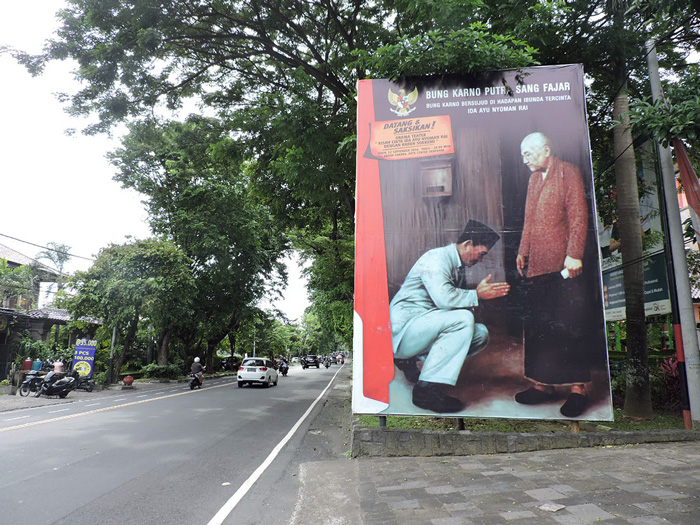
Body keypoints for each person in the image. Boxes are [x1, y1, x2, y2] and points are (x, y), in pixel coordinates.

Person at [390, 219, 510, 413]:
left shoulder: (457, 265)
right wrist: (477, 295)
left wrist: (475, 297)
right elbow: (445, 299)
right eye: (481, 254)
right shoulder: (436, 259)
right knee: (464, 320)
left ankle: (411, 362)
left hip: (421, 329)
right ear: (467, 244)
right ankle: (425, 391)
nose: (480, 260)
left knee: (480, 333)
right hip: (402, 333)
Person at [515, 132, 592, 418]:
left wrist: (575, 253)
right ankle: (542, 385)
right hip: (537, 264)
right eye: (522, 155)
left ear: (546, 149)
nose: (524, 160)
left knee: (569, 324)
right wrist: (523, 251)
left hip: (564, 265)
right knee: (538, 327)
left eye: (528, 154)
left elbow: (578, 215)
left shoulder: (568, 172)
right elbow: (528, 220)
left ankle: (577, 389)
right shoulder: (534, 179)